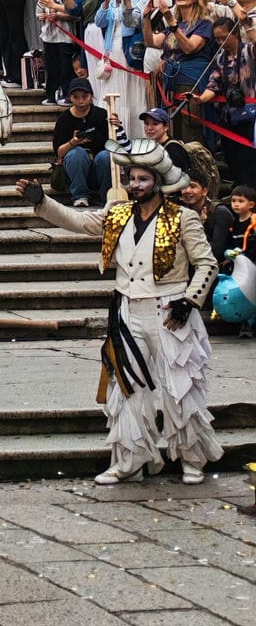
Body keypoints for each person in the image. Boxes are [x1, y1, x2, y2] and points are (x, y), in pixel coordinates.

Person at [20, 139, 220, 484]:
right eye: (132, 178)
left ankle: (192, 459)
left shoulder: (183, 217)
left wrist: (190, 301)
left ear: (158, 182)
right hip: (128, 312)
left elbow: (207, 264)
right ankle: (129, 460)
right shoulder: (117, 213)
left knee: (181, 388)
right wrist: (43, 202)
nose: (135, 185)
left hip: (171, 313)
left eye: (143, 179)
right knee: (127, 388)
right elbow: (79, 221)